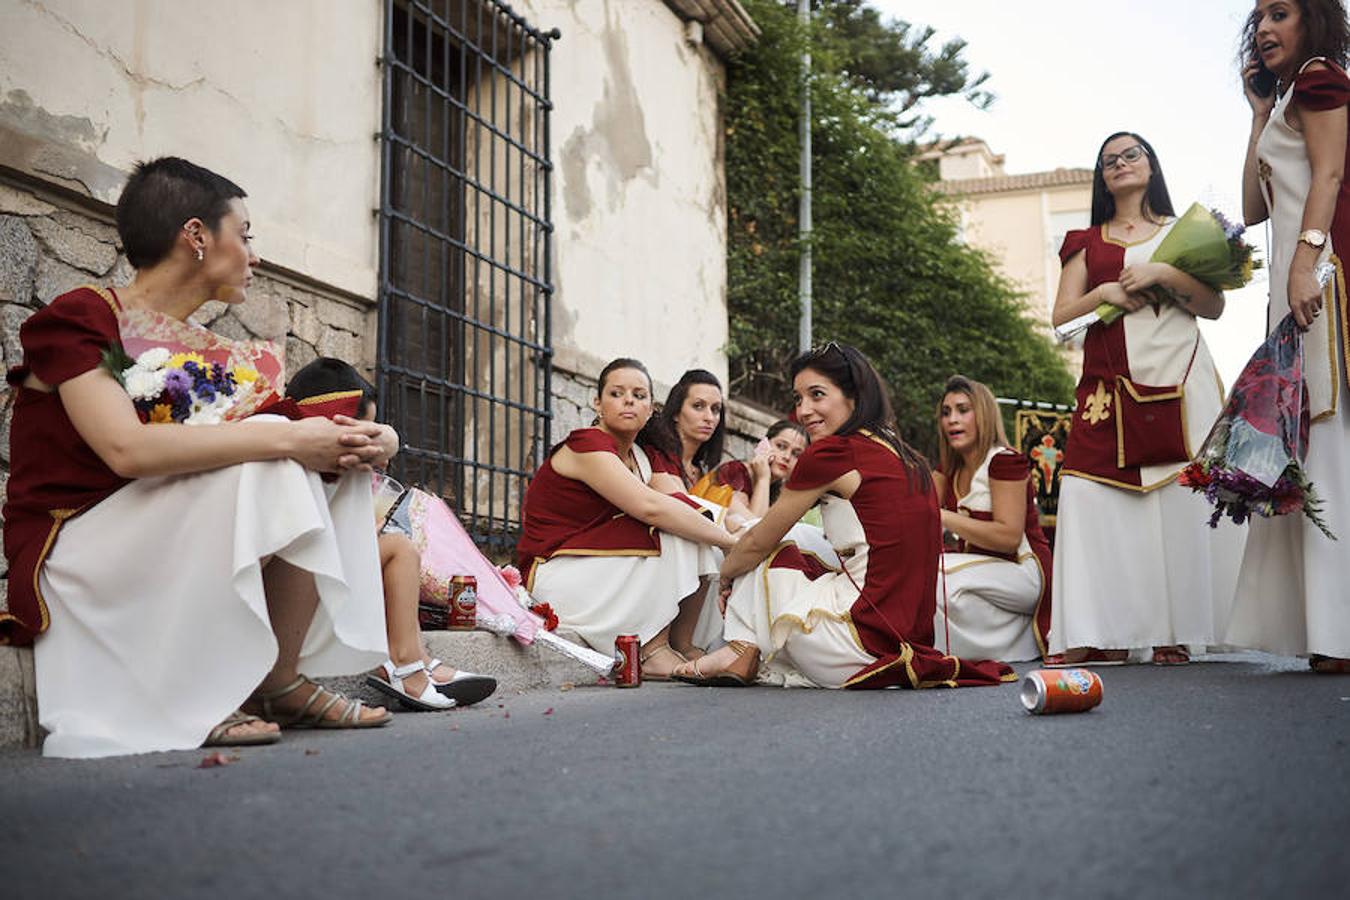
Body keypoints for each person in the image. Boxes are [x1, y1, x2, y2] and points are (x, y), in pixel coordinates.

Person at [1, 157, 395, 758]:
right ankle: (205, 687)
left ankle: (277, 680)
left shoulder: (211, 351)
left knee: (317, 458)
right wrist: (288, 440)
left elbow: (296, 428)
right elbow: (124, 449)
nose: (254, 256)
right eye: (245, 234)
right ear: (196, 236)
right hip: (77, 546)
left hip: (153, 528)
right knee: (276, 450)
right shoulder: (81, 319)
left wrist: (379, 440)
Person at [673, 343, 1014, 689]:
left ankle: (739, 649)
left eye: (817, 395)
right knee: (796, 545)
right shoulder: (906, 454)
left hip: (852, 644)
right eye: (798, 399)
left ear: (854, 395)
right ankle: (742, 649)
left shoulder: (832, 453)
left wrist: (728, 573)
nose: (804, 411)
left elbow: (761, 541)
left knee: (763, 543)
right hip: (906, 643)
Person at [1048, 133, 1242, 667]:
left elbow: (1214, 306)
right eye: (1109, 160)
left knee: (1173, 505)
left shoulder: (1186, 233)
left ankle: (1172, 632)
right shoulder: (1085, 240)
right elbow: (1062, 316)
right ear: (1101, 176)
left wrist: (1160, 272)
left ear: (1152, 165)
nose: (1120, 164)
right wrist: (1102, 293)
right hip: (1106, 387)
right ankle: (1091, 630)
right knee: (1092, 501)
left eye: (1131, 154)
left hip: (1180, 379)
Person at [1229, 0, 1350, 673]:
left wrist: (1306, 262)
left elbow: (1330, 173)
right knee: (1306, 443)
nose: (1266, 27)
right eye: (1260, 18)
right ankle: (1328, 629)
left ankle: (1341, 631)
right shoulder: (1285, 100)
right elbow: (1252, 208)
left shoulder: (1321, 76)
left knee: (1328, 440)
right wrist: (1256, 114)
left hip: (1322, 281)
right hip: (1291, 286)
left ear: (1313, 21)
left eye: (1281, 12)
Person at [283, 357, 498, 709]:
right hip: (300, 584)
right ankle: (405, 662)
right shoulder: (299, 459)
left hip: (322, 572)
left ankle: (417, 660)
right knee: (400, 549)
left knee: (394, 548)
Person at [516, 359, 738, 677]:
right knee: (673, 529)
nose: (629, 401)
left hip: (595, 567)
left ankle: (681, 644)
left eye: (639, 394)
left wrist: (732, 535)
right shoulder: (586, 445)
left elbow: (680, 502)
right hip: (555, 575)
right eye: (617, 393)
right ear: (598, 403)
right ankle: (651, 650)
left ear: (650, 409)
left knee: (693, 524)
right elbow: (650, 507)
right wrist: (733, 543)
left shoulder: (639, 457)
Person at [932, 375, 1052, 663]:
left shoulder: (1004, 461)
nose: (952, 420)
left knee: (935, 573)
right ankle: (1011, 645)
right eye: (946, 413)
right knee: (915, 573)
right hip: (982, 575)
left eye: (963, 410)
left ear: (983, 414)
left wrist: (943, 517)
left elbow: (1008, 537)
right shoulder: (947, 469)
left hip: (1023, 569)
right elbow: (916, 515)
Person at [691, 419, 810, 525]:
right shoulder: (734, 472)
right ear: (763, 445)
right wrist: (763, 478)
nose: (787, 456)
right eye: (781, 446)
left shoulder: (776, 490)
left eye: (796, 454)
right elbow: (751, 528)